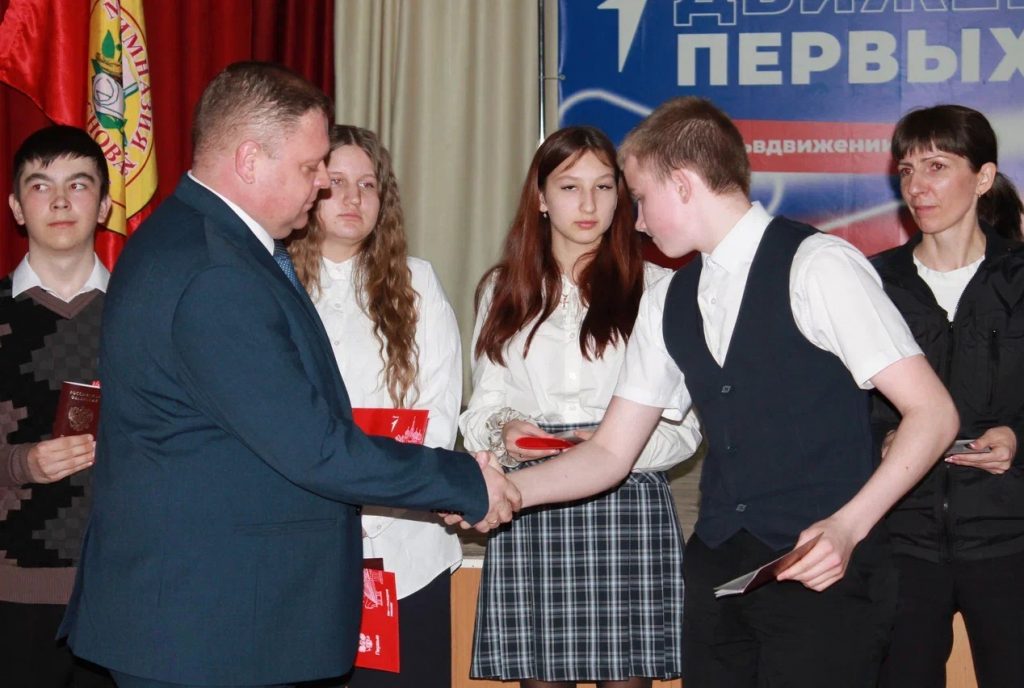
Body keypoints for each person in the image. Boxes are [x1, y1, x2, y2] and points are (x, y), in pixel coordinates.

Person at [447, 96, 961, 688]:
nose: (637, 221)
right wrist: (496, 491)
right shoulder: (669, 298)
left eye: (640, 198)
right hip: (719, 573)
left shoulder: (819, 265)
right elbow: (609, 453)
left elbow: (932, 413)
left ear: (684, 184)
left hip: (825, 571)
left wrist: (848, 526)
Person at [58, 62, 518, 688]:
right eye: (311, 167)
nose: (322, 183)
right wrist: (462, 481)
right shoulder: (216, 272)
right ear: (250, 161)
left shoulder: (200, 238)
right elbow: (313, 446)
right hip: (206, 626)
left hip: (207, 613)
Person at [459, 125, 703, 688]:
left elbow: (685, 431)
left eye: (604, 187)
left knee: (628, 679)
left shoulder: (660, 289)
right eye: (570, 187)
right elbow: (479, 410)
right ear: (541, 198)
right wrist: (504, 430)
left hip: (627, 504)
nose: (589, 204)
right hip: (532, 498)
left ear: (622, 197)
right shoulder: (503, 289)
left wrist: (610, 446)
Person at [287, 124, 463, 688]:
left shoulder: (417, 282)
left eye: (367, 185)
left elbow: (439, 413)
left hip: (407, 546)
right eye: (336, 182)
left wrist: (379, 501)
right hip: (305, 547)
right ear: (310, 189)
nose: (353, 198)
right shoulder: (273, 283)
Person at [872, 105, 1024, 688]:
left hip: (1010, 538)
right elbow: (839, 406)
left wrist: (1017, 438)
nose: (917, 186)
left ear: (983, 178)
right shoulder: (873, 283)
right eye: (907, 170)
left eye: (937, 166)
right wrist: (886, 437)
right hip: (902, 541)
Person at [0, 125, 115, 687]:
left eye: (79, 184)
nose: (62, 201)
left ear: (106, 204)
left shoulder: (145, 316)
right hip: (11, 595)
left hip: (124, 591)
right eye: (41, 186)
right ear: (16, 208)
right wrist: (20, 463)